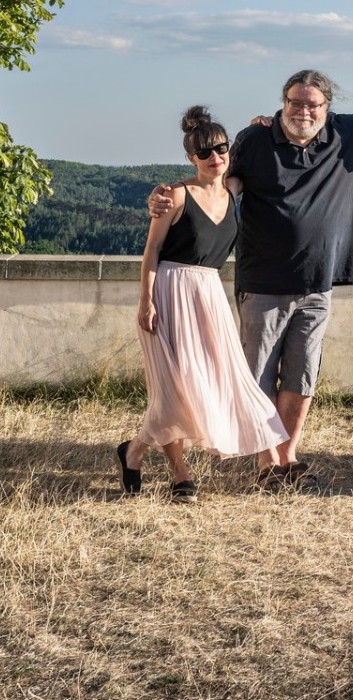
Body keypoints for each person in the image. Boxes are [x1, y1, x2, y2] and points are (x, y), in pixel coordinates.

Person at [149, 67, 353, 490]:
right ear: (283, 102)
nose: (302, 110)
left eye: (312, 104)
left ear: (327, 106)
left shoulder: (347, 133)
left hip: (319, 283)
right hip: (263, 283)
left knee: (301, 377)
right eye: (294, 102)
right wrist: (174, 195)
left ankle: (287, 459)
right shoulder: (255, 139)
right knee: (257, 377)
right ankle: (266, 464)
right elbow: (219, 179)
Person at [118, 106, 289, 502]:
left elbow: (257, 154)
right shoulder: (175, 195)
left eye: (222, 149)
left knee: (210, 384)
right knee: (172, 390)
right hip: (169, 294)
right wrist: (146, 302)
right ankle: (181, 475)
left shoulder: (232, 191)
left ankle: (133, 451)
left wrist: (261, 126)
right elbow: (152, 251)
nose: (215, 158)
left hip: (208, 296)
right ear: (191, 158)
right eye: (205, 153)